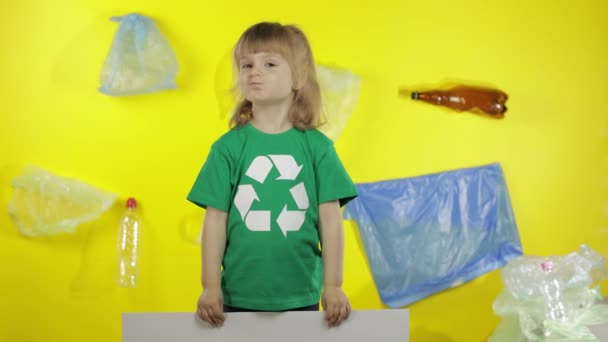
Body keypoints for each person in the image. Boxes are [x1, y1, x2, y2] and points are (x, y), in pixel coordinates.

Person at [187, 21, 358, 328]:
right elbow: (215, 219)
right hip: (236, 295)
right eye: (246, 64)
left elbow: (331, 220)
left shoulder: (319, 149)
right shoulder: (227, 148)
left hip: (302, 293)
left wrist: (333, 286)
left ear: (299, 77)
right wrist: (210, 286)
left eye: (269, 63)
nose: (254, 72)